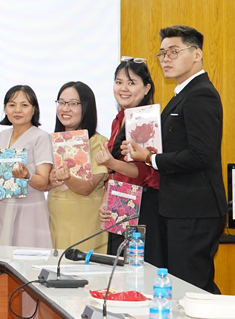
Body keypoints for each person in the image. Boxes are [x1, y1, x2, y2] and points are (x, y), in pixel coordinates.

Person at [123, 26, 225, 293]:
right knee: (182, 283)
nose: (165, 59)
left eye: (173, 52)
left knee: (192, 287)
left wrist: (151, 158)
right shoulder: (183, 94)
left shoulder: (200, 94)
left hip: (195, 208)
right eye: (162, 53)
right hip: (180, 207)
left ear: (197, 54)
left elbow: (201, 155)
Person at [95, 58, 163, 264]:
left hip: (141, 204)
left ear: (146, 88)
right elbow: (114, 172)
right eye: (119, 82)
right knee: (118, 268)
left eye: (131, 82)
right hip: (120, 202)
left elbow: (142, 173)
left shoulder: (145, 119)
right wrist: (105, 201)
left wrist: (110, 162)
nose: (123, 88)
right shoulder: (119, 119)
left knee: (138, 269)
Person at [47, 81, 109, 253]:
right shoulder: (52, 140)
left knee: (84, 265)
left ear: (87, 107)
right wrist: (50, 180)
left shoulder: (98, 142)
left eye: (73, 103)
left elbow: (87, 188)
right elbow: (43, 183)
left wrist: (67, 177)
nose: (65, 108)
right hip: (56, 217)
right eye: (61, 102)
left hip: (86, 218)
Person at [0, 85, 54, 248]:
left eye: (24, 105)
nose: (17, 110)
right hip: (3, 209)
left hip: (30, 212)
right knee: (4, 258)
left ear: (34, 109)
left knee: (29, 258)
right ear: (5, 109)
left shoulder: (41, 137)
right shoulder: (3, 136)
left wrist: (27, 175)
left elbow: (43, 183)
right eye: (12, 105)